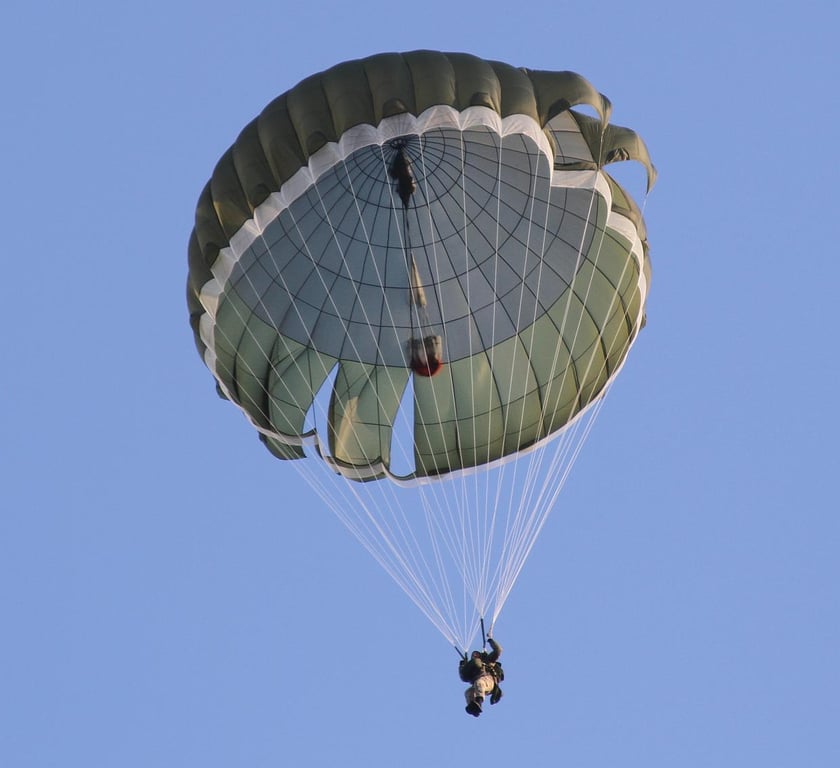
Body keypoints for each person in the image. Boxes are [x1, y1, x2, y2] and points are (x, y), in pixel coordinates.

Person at [459, 636, 503, 717]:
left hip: (489, 681)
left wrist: (490, 640)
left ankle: (479, 702)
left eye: (477, 654)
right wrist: (462, 665)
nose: (475, 655)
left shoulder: (488, 661)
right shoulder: (472, 670)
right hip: (479, 685)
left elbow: (498, 650)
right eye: (473, 655)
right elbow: (463, 677)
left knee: (480, 682)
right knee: (468, 692)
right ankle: (474, 708)